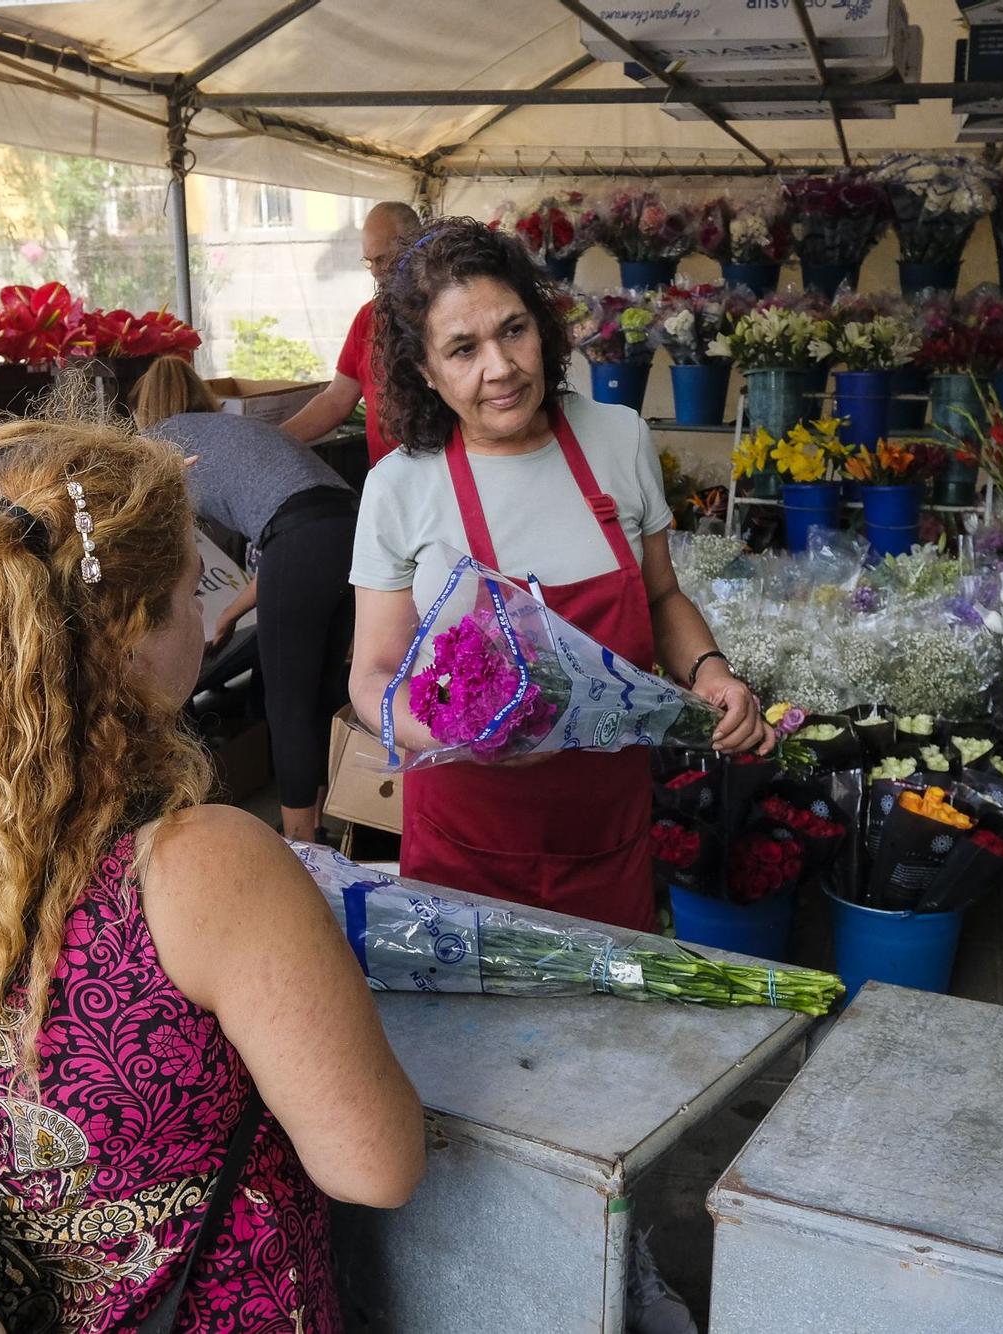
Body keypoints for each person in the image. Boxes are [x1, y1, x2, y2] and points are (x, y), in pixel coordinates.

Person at [0, 417, 424, 1332]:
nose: (204, 620)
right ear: (133, 634)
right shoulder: (198, 867)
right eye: (190, 592)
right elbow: (374, 1164)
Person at [349, 217, 770, 933]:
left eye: (513, 330)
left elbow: (663, 596)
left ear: (542, 326)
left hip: (605, 830)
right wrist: (462, 733)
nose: (501, 367)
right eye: (462, 349)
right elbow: (374, 676)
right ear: (424, 369)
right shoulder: (400, 486)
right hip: (465, 848)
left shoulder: (618, 438)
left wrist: (711, 672)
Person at [131, 357, 358, 844]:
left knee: (288, 705)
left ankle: (301, 847)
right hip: (352, 526)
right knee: (320, 694)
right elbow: (294, 544)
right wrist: (230, 615)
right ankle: (314, 828)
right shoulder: (231, 430)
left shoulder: (159, 448)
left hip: (301, 539)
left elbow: (176, 558)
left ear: (144, 406)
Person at [281, 201, 422, 465]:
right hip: (387, 479)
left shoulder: (443, 309)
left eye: (382, 259)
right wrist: (276, 437)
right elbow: (336, 401)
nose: (376, 272)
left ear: (413, 246)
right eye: (369, 262)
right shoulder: (368, 317)